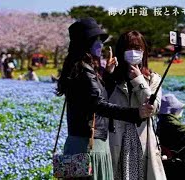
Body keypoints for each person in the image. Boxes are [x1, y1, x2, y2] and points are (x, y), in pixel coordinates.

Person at [56, 17, 155, 180]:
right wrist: (135, 114)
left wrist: (107, 76)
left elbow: (93, 98)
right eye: (97, 41)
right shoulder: (84, 72)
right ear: (85, 43)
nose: (101, 45)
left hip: (75, 143)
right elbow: (98, 105)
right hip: (90, 145)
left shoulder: (76, 68)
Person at [103, 31, 166, 180]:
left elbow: (153, 107)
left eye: (137, 48)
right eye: (128, 48)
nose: (133, 53)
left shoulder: (152, 78)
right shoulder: (113, 78)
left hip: (142, 139)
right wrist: (107, 75)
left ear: (144, 51)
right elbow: (100, 104)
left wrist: (138, 80)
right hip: (115, 139)